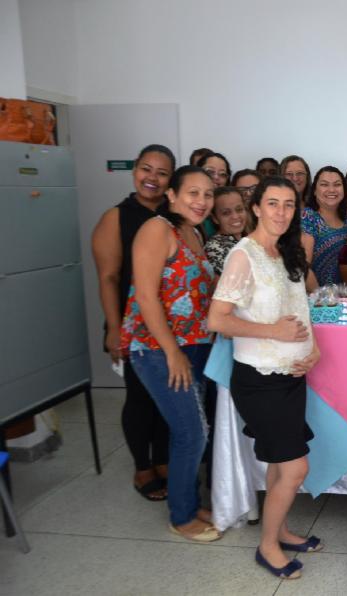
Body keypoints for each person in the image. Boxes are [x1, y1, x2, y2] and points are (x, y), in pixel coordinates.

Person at [208, 176, 322, 579]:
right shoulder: (245, 255)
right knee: (295, 469)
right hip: (259, 378)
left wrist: (313, 351)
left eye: (289, 205)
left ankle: (281, 529)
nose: (281, 212)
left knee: (279, 462)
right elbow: (217, 319)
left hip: (291, 376)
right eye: (272, 203)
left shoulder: (284, 252)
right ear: (256, 207)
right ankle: (267, 546)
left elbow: (301, 309)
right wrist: (275, 332)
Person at [121, 165, 219, 542]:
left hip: (196, 345)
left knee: (196, 429)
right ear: (173, 195)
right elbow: (145, 295)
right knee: (191, 432)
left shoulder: (192, 232)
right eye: (193, 193)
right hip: (157, 348)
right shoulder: (156, 229)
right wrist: (172, 351)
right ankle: (182, 515)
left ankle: (190, 502)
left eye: (208, 194)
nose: (202, 201)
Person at [91, 144, 175, 502]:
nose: (151, 178)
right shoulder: (117, 217)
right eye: (146, 169)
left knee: (168, 398)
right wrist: (114, 328)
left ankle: (164, 460)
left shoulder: (176, 214)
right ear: (135, 171)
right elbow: (109, 277)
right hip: (132, 325)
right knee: (140, 398)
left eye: (161, 173)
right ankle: (143, 467)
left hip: (171, 323)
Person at [300, 166, 347, 286]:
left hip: (342, 295)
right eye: (324, 184)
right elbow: (303, 266)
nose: (331, 190)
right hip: (317, 298)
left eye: (337, 184)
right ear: (314, 190)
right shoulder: (308, 216)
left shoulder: (346, 219)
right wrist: (322, 299)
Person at [205, 186, 248, 275]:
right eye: (226, 213)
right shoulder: (214, 248)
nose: (235, 216)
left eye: (239, 209)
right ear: (215, 218)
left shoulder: (248, 239)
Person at [198, 152, 232, 238]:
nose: (216, 177)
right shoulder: (191, 207)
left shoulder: (231, 208)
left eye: (222, 174)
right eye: (210, 172)